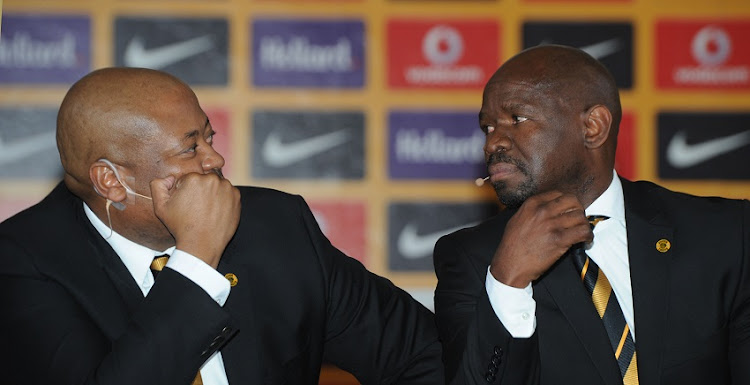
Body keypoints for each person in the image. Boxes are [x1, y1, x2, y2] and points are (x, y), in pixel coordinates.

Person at [0, 67, 444, 384]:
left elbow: (424, 355)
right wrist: (196, 258)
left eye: (208, 137)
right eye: (189, 149)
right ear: (112, 181)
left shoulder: (274, 225)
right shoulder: (23, 262)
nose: (215, 160)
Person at [433, 45, 750, 385]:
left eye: (517, 119)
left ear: (593, 127)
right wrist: (508, 282)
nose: (493, 143)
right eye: (488, 127)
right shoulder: (472, 259)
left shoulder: (725, 234)